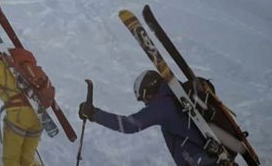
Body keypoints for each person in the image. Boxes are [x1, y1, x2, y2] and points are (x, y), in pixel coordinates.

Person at [78, 70, 216, 166]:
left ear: (148, 92)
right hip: (210, 156)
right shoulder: (177, 95)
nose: (145, 103)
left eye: (143, 99)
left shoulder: (162, 106)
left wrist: (94, 114)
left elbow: (129, 125)